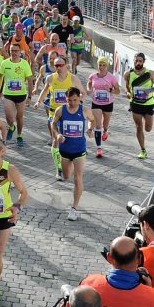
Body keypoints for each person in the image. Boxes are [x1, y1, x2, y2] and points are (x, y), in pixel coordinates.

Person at [51, 87, 94, 219]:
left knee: (77, 178)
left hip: (79, 149)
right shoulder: (60, 110)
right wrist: (57, 134)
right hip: (65, 149)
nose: (73, 103)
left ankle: (74, 208)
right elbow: (53, 123)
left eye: (75, 100)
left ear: (79, 98)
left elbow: (93, 120)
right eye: (69, 100)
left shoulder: (85, 110)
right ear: (66, 99)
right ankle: (62, 169)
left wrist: (90, 129)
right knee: (66, 176)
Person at [125, 53, 154, 159]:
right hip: (135, 104)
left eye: (140, 61)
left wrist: (149, 90)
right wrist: (128, 93)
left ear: (143, 62)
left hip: (148, 104)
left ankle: (148, 119)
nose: (138, 63)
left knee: (148, 129)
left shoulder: (150, 73)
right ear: (133, 61)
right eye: (136, 61)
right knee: (138, 127)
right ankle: (143, 150)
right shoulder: (128, 74)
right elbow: (127, 87)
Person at [87, 56, 120, 158]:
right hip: (96, 103)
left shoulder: (112, 78)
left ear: (107, 66)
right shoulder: (93, 76)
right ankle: (99, 148)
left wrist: (110, 89)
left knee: (105, 126)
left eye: (103, 65)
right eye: (100, 65)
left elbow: (118, 91)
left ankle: (105, 132)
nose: (101, 67)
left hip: (108, 104)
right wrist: (89, 90)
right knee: (98, 125)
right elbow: (89, 83)